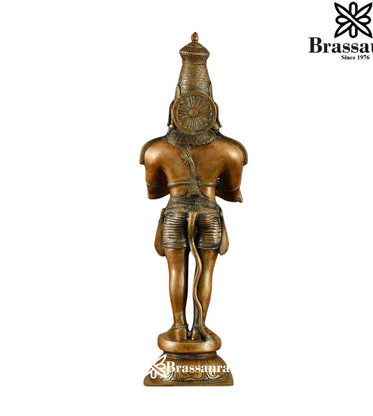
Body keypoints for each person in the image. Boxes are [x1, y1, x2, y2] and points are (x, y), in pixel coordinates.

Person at [140, 33, 247, 342]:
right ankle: (200, 326)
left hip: (175, 213)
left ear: (175, 105)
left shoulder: (156, 150)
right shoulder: (230, 151)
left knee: (176, 270)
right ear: (212, 105)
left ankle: (178, 325)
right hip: (209, 213)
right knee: (207, 271)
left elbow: (153, 192)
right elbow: (234, 193)